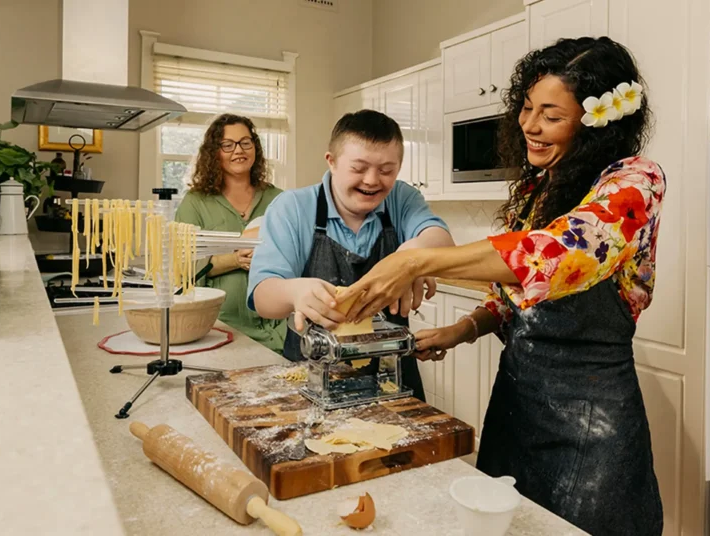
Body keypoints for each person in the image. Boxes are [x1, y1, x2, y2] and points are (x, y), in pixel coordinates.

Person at [339, 37, 665, 536]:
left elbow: (558, 255)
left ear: (598, 120)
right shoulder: (540, 188)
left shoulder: (635, 182)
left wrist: (418, 261)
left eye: (551, 115)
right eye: (527, 108)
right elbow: (514, 298)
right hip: (518, 401)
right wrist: (465, 328)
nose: (530, 125)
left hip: (591, 418)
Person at [247, 109, 455, 401]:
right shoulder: (292, 207)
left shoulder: (401, 199)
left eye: (386, 170)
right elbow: (262, 297)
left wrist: (411, 258)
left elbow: (442, 241)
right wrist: (294, 291)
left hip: (392, 375)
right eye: (358, 168)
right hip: (312, 377)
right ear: (331, 161)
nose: (372, 180)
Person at [176, 114, 286, 352]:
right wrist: (235, 259)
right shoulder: (195, 203)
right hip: (222, 332)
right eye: (228, 145)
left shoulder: (279, 199)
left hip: (280, 330)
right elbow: (182, 268)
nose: (239, 150)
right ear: (214, 152)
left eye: (246, 142)